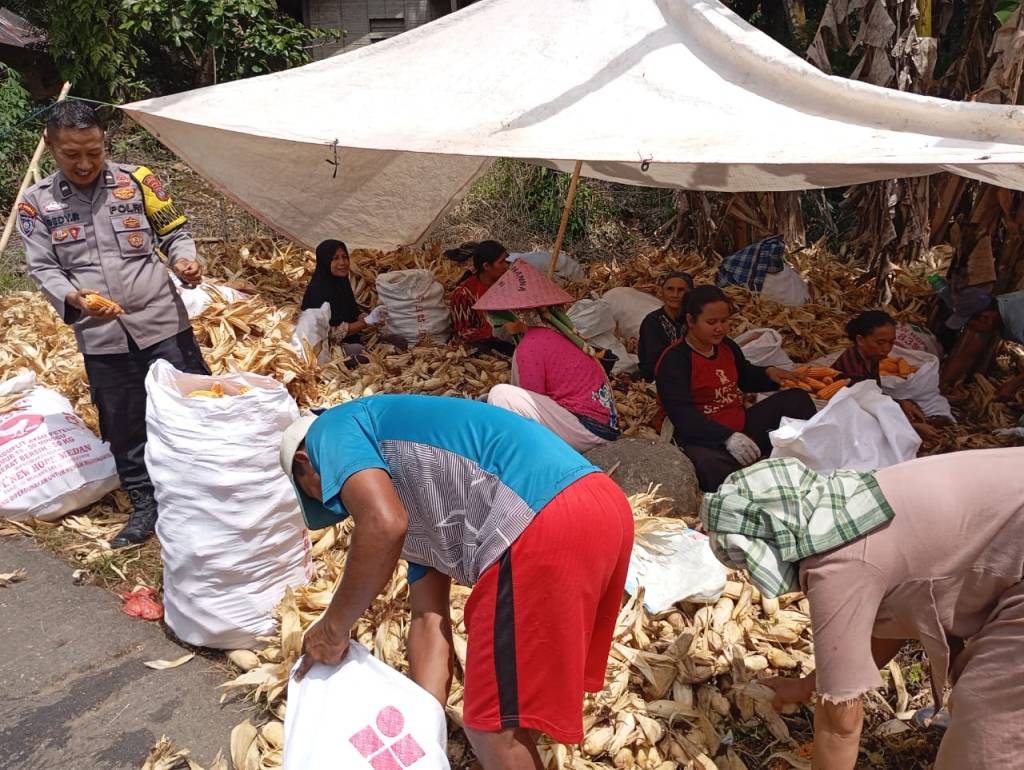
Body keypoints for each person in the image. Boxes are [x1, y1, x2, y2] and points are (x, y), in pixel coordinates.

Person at [279, 395, 634, 770]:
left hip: (540, 513)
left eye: (325, 495)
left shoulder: (329, 430)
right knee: (511, 710)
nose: (342, 504)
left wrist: (333, 628)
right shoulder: (414, 503)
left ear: (306, 464)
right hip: (601, 507)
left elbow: (382, 523)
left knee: (490, 728)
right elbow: (428, 620)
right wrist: (419, 729)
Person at [701, 448, 1024, 770]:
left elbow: (840, 725)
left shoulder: (838, 566)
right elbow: (889, 624)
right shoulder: (851, 506)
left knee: (988, 712)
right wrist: (806, 686)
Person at [20, 101, 209, 548]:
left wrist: (185, 259)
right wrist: (74, 298)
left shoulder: (138, 182)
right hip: (101, 336)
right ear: (50, 145)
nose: (84, 163)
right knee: (125, 425)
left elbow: (175, 233)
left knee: (194, 409)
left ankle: (203, 494)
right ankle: (146, 505)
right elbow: (43, 268)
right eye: (72, 155)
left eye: (94, 151)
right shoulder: (37, 203)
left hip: (163, 322)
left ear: (105, 141)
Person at [656, 285, 814, 492]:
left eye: (724, 321)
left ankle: (803, 462)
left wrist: (769, 374)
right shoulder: (675, 360)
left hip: (742, 424)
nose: (720, 328)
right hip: (703, 437)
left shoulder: (727, 347)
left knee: (797, 399)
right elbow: (683, 416)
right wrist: (726, 437)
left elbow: (745, 377)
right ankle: (748, 481)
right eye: (711, 322)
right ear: (691, 321)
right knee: (710, 467)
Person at [475, 260, 620, 452]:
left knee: (500, 394)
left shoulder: (530, 345)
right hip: (604, 424)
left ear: (515, 317)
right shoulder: (559, 334)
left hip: (587, 429)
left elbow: (532, 400)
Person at [834, 310, 939, 438]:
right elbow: (862, 413)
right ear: (860, 340)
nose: (887, 349)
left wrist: (900, 403)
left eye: (891, 342)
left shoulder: (871, 357)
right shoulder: (853, 368)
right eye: (880, 343)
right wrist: (912, 427)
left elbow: (874, 394)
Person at [300, 239, 386, 361]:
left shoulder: (342, 283)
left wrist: (364, 317)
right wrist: (365, 322)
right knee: (359, 352)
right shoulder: (317, 292)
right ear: (325, 261)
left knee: (394, 341)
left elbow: (351, 312)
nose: (342, 262)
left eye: (345, 257)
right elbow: (330, 335)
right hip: (324, 348)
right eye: (335, 258)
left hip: (350, 339)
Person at [940, 286, 1024, 398]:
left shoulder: (1018, 324)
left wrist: (1014, 385)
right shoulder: (993, 313)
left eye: (968, 325)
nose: (970, 329)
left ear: (985, 318)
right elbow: (967, 355)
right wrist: (941, 385)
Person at [449, 240, 515, 355]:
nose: (506, 266)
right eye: (501, 262)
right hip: (480, 344)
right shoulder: (463, 294)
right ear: (486, 266)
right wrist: (493, 332)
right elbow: (463, 333)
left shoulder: (506, 284)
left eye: (506, 261)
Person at [637, 271, 694, 380]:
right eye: (670, 289)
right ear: (662, 292)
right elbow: (655, 361)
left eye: (681, 290)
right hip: (658, 378)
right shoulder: (653, 321)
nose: (675, 295)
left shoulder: (693, 319)